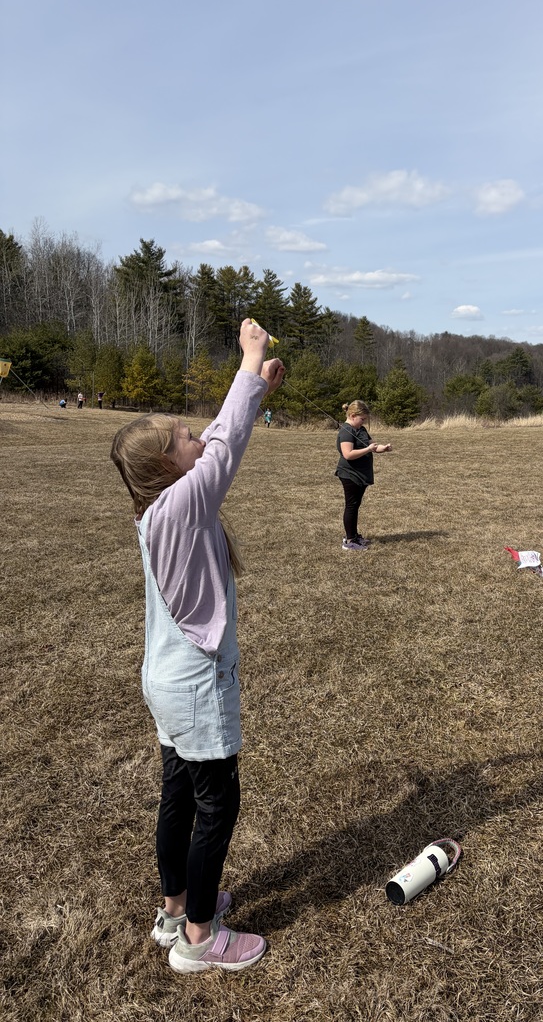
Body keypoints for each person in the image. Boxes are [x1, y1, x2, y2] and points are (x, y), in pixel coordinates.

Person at [110, 320, 285, 974]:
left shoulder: (158, 506)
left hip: (165, 681)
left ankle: (175, 906)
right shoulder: (183, 504)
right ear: (167, 464)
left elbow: (217, 438)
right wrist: (249, 360)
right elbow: (226, 446)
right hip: (193, 683)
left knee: (179, 795)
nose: (196, 435)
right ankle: (200, 939)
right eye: (182, 437)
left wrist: (255, 390)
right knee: (217, 804)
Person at [335, 400, 391, 551]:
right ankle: (349, 540)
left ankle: (354, 535)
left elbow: (373, 445)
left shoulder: (361, 430)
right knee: (351, 506)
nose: (363, 422)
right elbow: (348, 454)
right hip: (350, 474)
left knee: (356, 505)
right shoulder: (346, 431)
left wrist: (383, 448)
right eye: (362, 419)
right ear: (353, 416)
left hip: (361, 475)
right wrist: (367, 449)